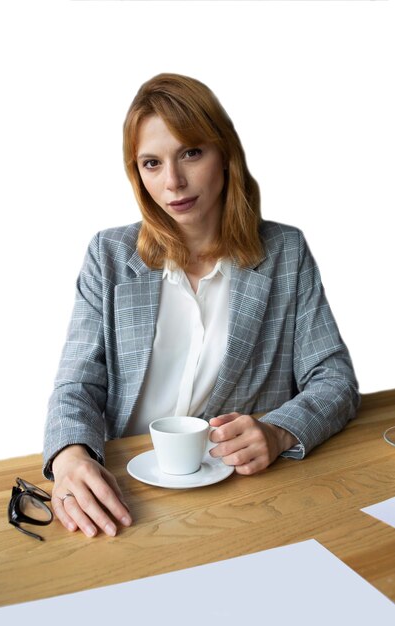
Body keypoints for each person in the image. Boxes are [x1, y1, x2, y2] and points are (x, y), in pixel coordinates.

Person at [43, 73, 359, 539]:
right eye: (152, 163)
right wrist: (70, 455)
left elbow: (335, 379)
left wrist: (279, 432)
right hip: (124, 495)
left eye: (191, 152)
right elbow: (77, 384)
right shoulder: (108, 257)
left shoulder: (285, 253)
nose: (173, 182)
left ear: (225, 153)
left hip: (244, 497)